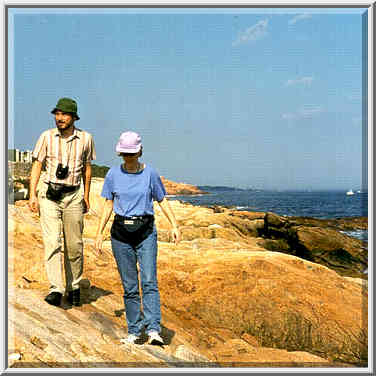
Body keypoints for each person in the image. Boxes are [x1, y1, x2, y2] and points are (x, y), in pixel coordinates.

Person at [94, 131, 180, 345]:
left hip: (146, 232)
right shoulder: (113, 174)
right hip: (120, 234)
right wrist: (98, 234)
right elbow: (107, 204)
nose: (129, 157)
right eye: (125, 154)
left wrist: (174, 225)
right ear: (120, 153)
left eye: (132, 153)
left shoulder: (150, 173)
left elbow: (162, 199)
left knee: (149, 281)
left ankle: (153, 330)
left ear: (140, 151)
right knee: (130, 285)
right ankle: (134, 330)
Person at [28, 97, 96, 307]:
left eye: (65, 114)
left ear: (74, 117)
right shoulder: (46, 137)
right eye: (57, 114)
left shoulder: (85, 139)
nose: (60, 118)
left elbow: (87, 168)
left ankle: (74, 285)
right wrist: (32, 195)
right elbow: (37, 166)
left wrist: (86, 195)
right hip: (49, 194)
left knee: (74, 244)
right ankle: (56, 288)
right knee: (52, 242)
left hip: (73, 194)